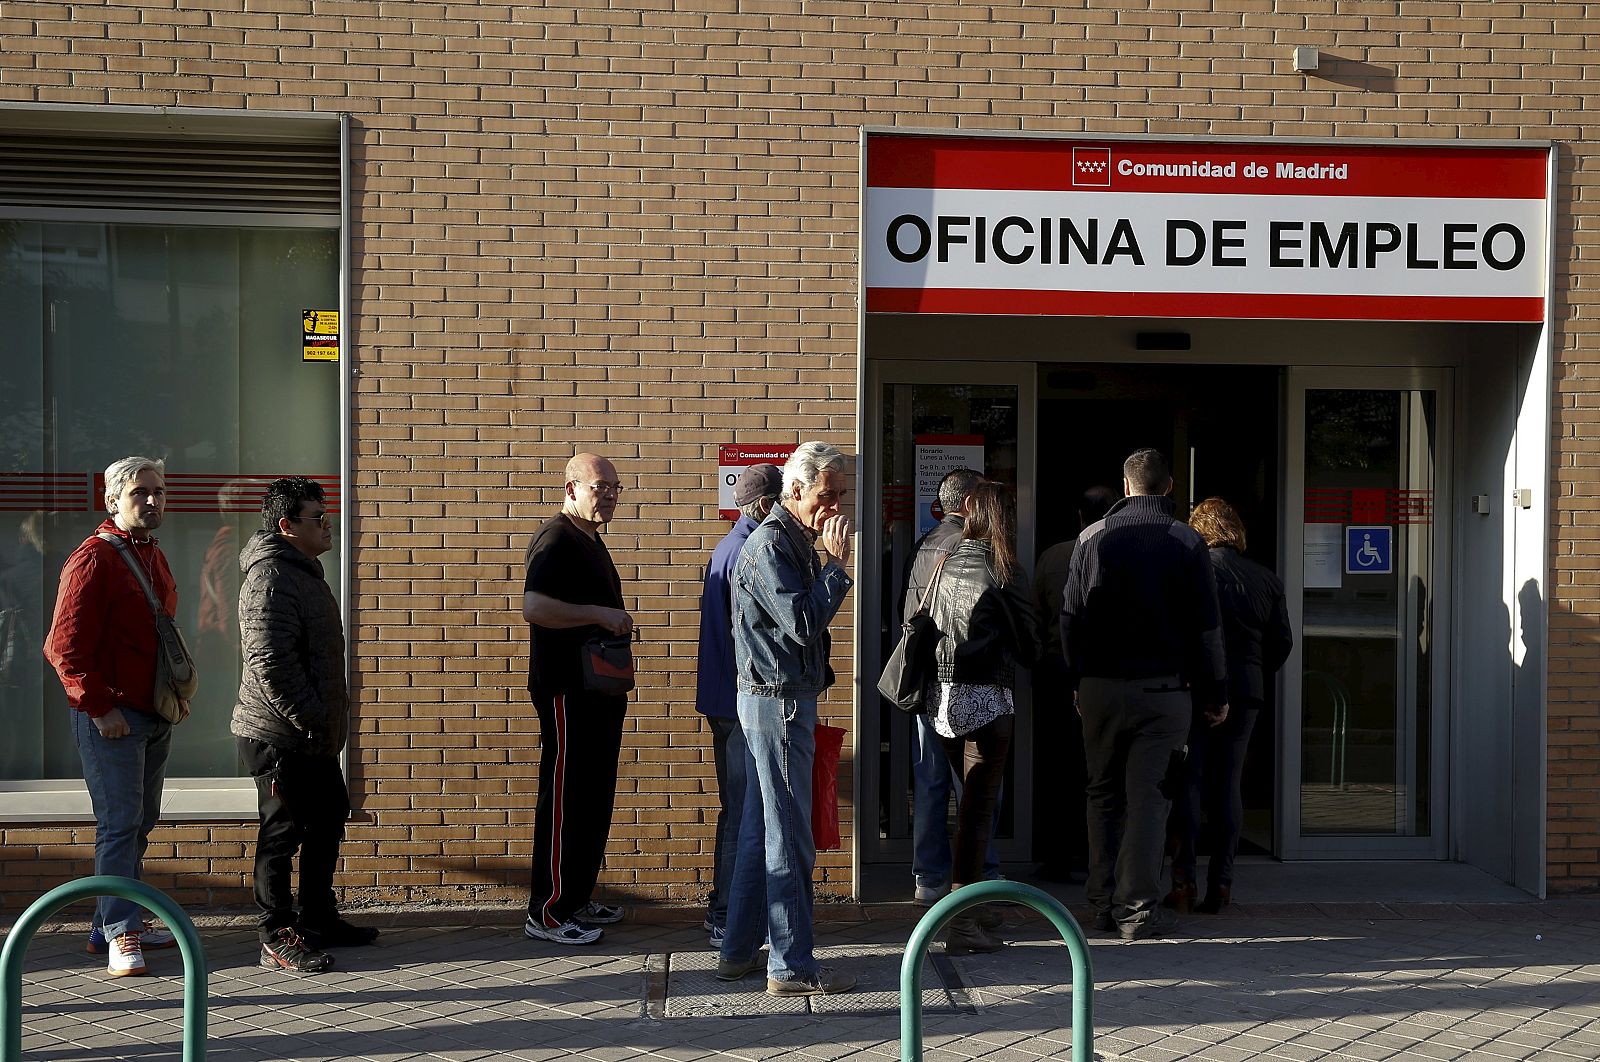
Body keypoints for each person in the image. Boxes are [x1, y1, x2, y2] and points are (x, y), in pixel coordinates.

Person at [1061, 448, 1227, 941]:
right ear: (1170, 486)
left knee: (1102, 792)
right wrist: (1216, 692)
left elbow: (1070, 619)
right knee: (1151, 799)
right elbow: (1207, 629)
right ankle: (1136, 910)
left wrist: (1078, 680)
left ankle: (1098, 905)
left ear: (1127, 485)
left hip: (1100, 690)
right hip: (1165, 691)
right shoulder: (1187, 541)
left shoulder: (1092, 537)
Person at [719, 441, 857, 997]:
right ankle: (790, 964)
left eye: (840, 495)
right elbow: (802, 622)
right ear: (794, 491)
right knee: (788, 835)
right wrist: (837, 567)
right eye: (827, 495)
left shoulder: (786, 540)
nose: (835, 507)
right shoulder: (773, 545)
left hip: (779, 698)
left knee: (761, 830)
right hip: (777, 702)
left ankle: (736, 953)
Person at [44, 456, 184, 976]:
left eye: (159, 492)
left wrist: (172, 693)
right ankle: (121, 933)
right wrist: (100, 709)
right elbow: (63, 647)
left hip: (151, 711)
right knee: (120, 825)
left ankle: (110, 922)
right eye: (140, 493)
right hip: (112, 717)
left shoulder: (152, 554)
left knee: (140, 821)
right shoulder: (94, 559)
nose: (152, 501)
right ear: (113, 500)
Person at [233, 476, 377, 975]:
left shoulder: (305, 571)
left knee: (329, 819)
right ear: (286, 525)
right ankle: (275, 933)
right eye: (317, 517)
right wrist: (312, 717)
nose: (327, 525)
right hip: (278, 735)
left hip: (312, 735)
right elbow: (269, 662)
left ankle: (318, 916)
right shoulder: (270, 576)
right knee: (282, 833)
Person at [521, 453, 634, 945]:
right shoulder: (556, 538)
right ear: (570, 489)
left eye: (614, 487)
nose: (608, 494)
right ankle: (546, 913)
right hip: (568, 688)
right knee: (566, 799)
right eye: (598, 486)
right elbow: (534, 606)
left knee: (592, 797)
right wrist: (600, 615)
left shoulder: (592, 540)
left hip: (599, 690)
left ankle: (577, 896)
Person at [922, 481, 1039, 953]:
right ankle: (963, 923)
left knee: (967, 808)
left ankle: (974, 905)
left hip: (942, 700)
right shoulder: (1003, 569)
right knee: (976, 813)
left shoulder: (945, 558)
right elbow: (1031, 647)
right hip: (986, 699)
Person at [1167, 497, 1292, 915]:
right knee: (1228, 785)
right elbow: (1282, 643)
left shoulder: (1190, 571)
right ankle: (1221, 883)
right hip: (1246, 692)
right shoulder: (1267, 580)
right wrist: (1253, 673)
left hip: (1194, 689)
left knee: (1188, 782)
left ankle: (1182, 883)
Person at [900, 467, 1001, 904]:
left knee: (929, 781)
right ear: (969, 504)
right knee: (974, 787)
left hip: (927, 682)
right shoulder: (973, 548)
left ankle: (929, 878)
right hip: (962, 680)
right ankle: (980, 877)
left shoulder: (923, 546)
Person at [694, 463, 782, 947]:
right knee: (747, 809)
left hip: (721, 697)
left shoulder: (728, 545)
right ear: (766, 505)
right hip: (741, 699)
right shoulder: (752, 550)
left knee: (738, 807)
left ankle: (726, 909)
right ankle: (728, 913)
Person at [1030, 485, 1117, 883]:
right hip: (1102, 673)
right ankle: (1095, 856)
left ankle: (1055, 856)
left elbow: (1037, 615)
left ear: (1079, 517)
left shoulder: (1052, 556)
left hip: (1055, 669)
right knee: (1098, 766)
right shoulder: (1119, 553)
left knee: (1055, 765)